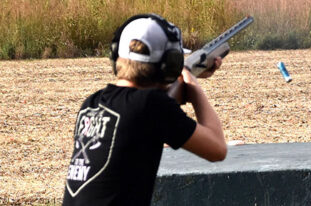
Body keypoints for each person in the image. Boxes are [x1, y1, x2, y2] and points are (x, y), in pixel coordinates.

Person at [63, 14, 227, 206]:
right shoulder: (151, 105)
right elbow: (217, 149)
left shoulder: (91, 104)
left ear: (117, 54)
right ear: (170, 66)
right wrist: (193, 87)